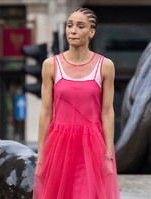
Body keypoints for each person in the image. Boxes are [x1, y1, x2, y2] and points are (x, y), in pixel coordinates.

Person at [33, 7, 120, 199]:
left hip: (92, 147)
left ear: (91, 32)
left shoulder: (105, 66)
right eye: (69, 25)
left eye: (80, 26)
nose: (72, 30)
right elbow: (46, 112)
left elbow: (107, 112)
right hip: (59, 145)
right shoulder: (50, 65)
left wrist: (108, 154)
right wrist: (41, 156)